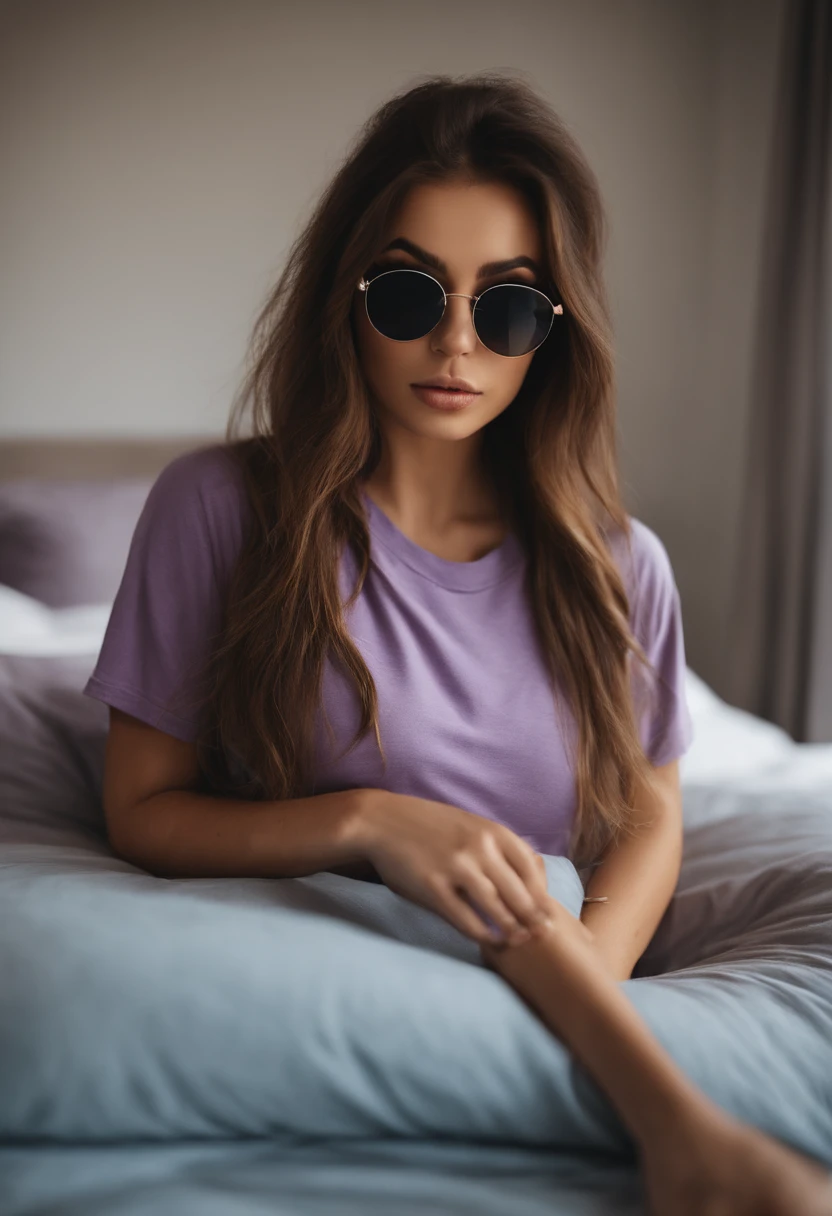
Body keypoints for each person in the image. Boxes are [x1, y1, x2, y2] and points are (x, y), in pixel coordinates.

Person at [84, 73, 832, 1214]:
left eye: (509, 306)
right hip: (314, 962)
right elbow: (140, 805)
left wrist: (590, 970)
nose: (454, 341)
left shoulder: (620, 564)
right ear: (348, 294)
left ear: (553, 331)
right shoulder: (220, 508)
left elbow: (648, 813)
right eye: (408, 292)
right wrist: (370, 822)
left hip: (533, 962)